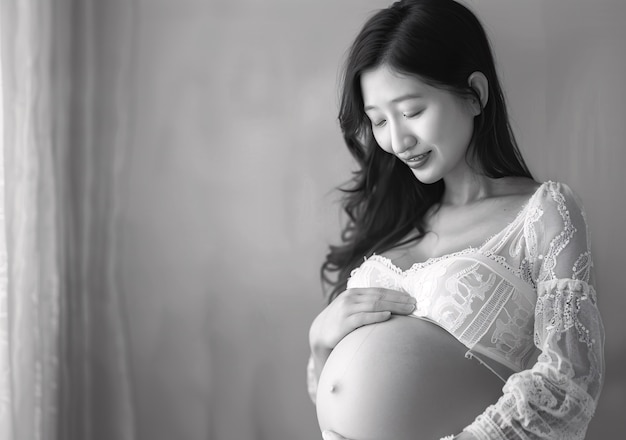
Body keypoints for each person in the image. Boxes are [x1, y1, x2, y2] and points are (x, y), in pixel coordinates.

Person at [306, 1, 605, 439]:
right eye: (379, 121)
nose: (397, 139)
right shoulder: (397, 222)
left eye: (411, 112)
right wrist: (319, 341)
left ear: (475, 94)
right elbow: (327, 389)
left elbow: (569, 384)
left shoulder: (543, 213)